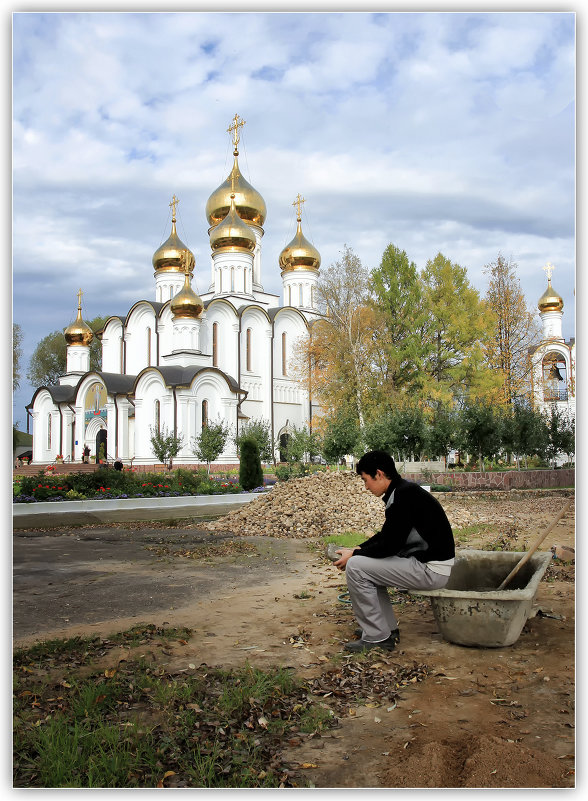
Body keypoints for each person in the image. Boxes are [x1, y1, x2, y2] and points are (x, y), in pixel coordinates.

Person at [334, 450, 455, 653]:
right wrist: (358, 548)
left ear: (379, 474)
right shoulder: (402, 492)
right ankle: (386, 629)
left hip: (431, 570)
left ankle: (377, 638)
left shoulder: (403, 496)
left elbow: (390, 545)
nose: (365, 486)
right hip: (431, 566)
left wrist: (354, 556)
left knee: (356, 567)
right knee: (366, 566)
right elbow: (387, 535)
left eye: (366, 480)